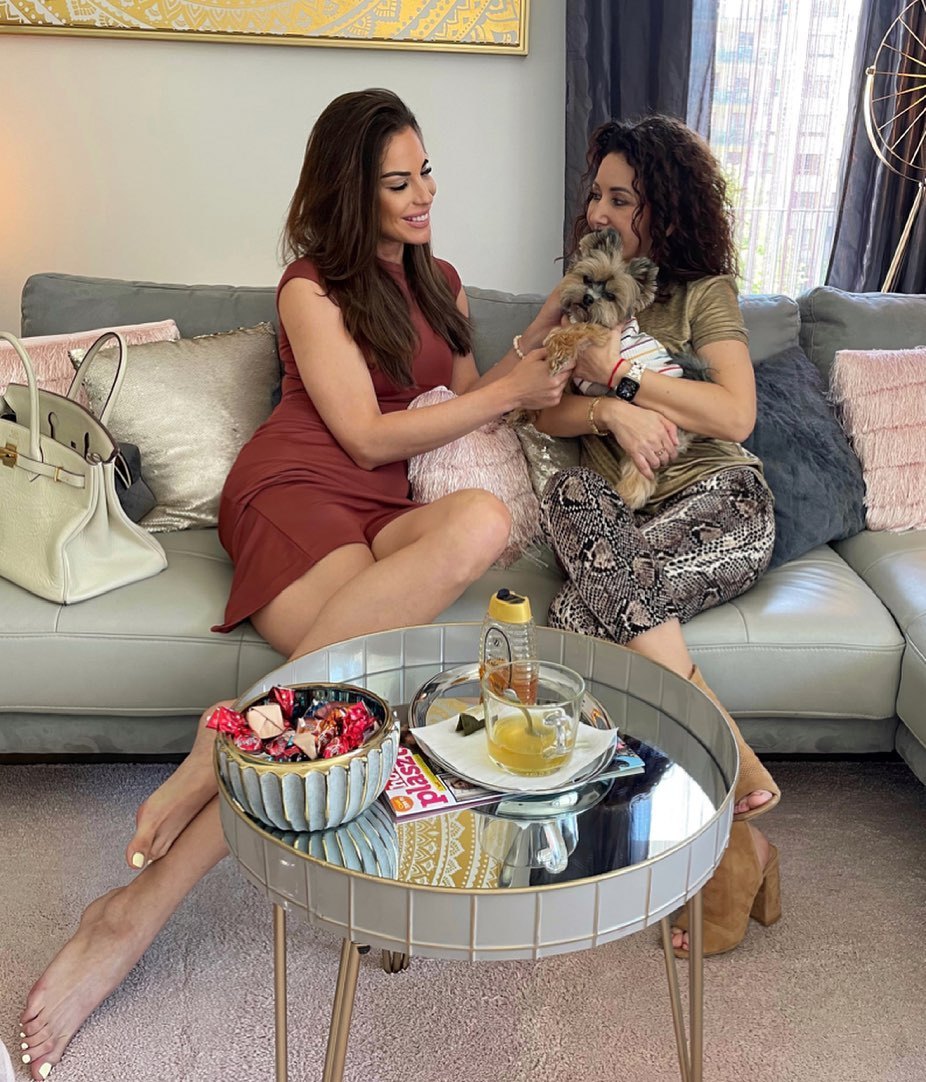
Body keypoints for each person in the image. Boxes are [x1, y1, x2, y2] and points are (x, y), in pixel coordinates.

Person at [17, 88, 572, 1080]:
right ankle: (135, 914)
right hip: (297, 492)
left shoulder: (443, 282)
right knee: (348, 686)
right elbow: (362, 435)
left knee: (482, 523)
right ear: (350, 192)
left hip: (386, 509)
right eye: (397, 183)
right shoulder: (309, 288)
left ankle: (224, 738)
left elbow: (468, 410)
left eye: (426, 173)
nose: (423, 196)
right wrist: (505, 386)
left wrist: (543, 353)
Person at [525, 115, 782, 958]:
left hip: (721, 502)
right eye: (596, 194)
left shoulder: (703, 293)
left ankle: (705, 846)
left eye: (621, 198)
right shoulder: (586, 292)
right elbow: (542, 408)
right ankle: (732, 798)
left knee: (575, 623)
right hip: (624, 524)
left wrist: (626, 378)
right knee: (570, 491)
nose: (600, 211)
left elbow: (734, 413)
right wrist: (605, 411)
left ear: (663, 206)